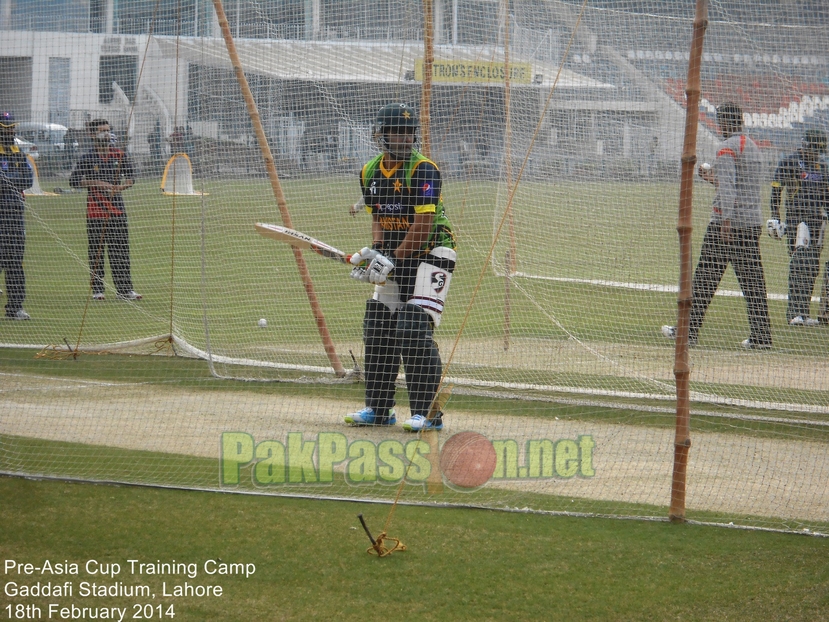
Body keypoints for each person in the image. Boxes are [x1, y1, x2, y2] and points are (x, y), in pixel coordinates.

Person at [344, 103, 456, 432]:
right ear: (379, 135)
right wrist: (376, 252)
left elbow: (423, 225)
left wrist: (390, 259)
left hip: (433, 252)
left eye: (409, 132)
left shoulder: (424, 170)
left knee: (412, 328)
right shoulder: (369, 172)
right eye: (397, 132)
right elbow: (379, 217)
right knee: (377, 324)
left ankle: (429, 414)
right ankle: (379, 410)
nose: (405, 139)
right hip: (398, 253)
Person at [662, 102, 772, 349]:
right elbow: (739, 187)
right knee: (753, 283)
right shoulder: (753, 148)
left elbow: (730, 190)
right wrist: (713, 178)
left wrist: (725, 221)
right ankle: (762, 337)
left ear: (722, 122)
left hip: (728, 225)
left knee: (704, 279)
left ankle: (687, 333)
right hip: (751, 223)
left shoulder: (726, 149)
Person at [69, 118, 142, 301]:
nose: (106, 133)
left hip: (117, 209)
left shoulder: (120, 154)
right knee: (96, 251)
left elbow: (131, 178)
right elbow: (74, 181)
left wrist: (120, 187)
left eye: (108, 130)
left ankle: (125, 289)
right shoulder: (88, 158)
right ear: (92, 134)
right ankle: (98, 289)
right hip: (95, 211)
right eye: (102, 130)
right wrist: (97, 183)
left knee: (120, 250)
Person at [767, 128, 829, 326]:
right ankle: (794, 313)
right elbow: (776, 191)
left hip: (817, 220)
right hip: (797, 218)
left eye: (820, 151)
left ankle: (804, 312)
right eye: (814, 149)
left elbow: (826, 197)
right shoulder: (790, 162)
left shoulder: (823, 168)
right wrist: (776, 217)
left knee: (812, 267)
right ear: (805, 144)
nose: (816, 154)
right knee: (799, 263)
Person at [0, 112, 33, 320]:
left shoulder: (19, 153)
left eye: (12, 127)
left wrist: (8, 181)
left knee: (15, 262)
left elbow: (27, 180)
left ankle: (15, 307)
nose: (10, 131)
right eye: (5, 127)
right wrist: (12, 181)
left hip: (14, 215)